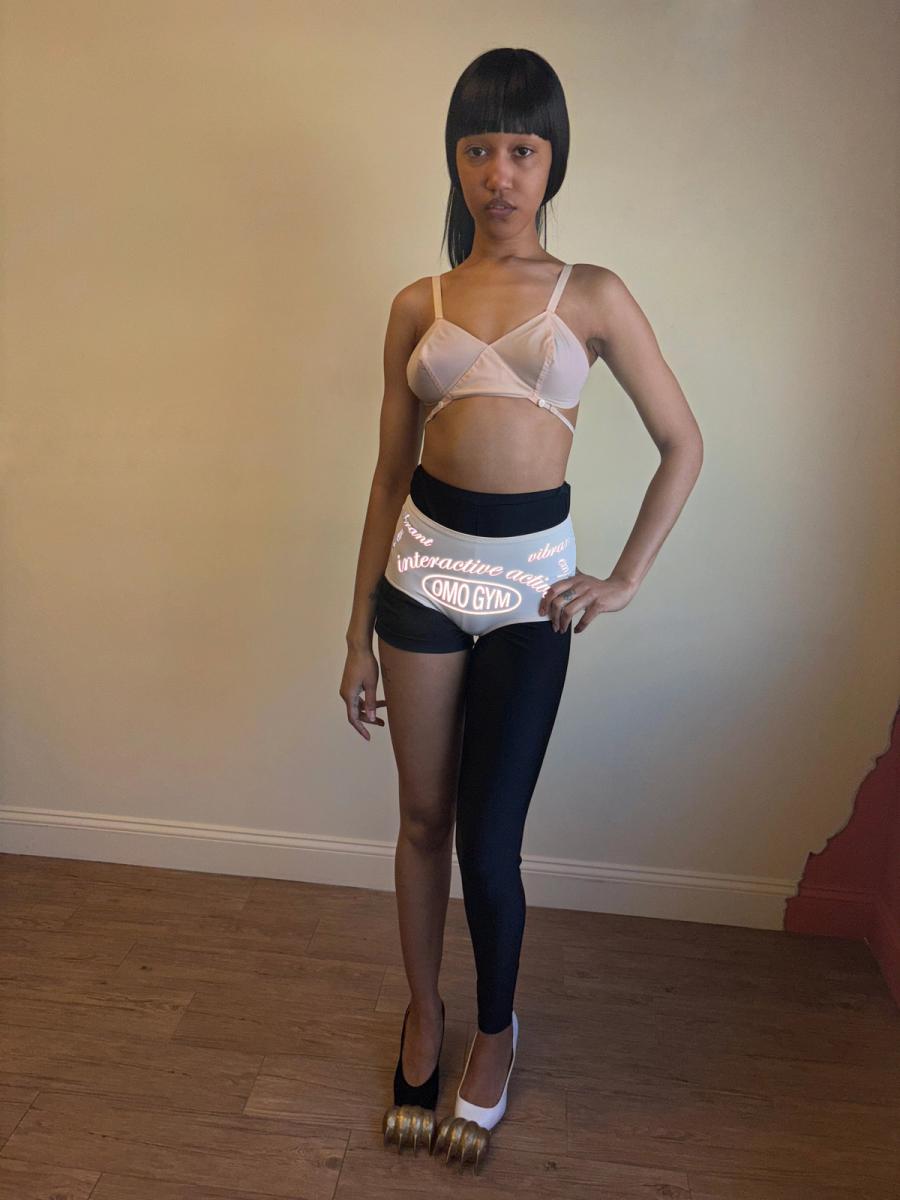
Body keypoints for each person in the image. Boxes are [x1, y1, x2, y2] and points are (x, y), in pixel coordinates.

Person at [340, 47, 703, 1172]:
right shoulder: (418, 303)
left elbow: (682, 443)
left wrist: (622, 578)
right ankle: (425, 1011)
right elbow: (387, 476)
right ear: (455, 162)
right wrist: (354, 633)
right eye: (479, 149)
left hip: (529, 593)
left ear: (553, 161)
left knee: (490, 843)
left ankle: (496, 1032)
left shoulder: (590, 293)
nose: (500, 173)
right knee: (421, 821)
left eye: (523, 149)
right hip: (421, 582)